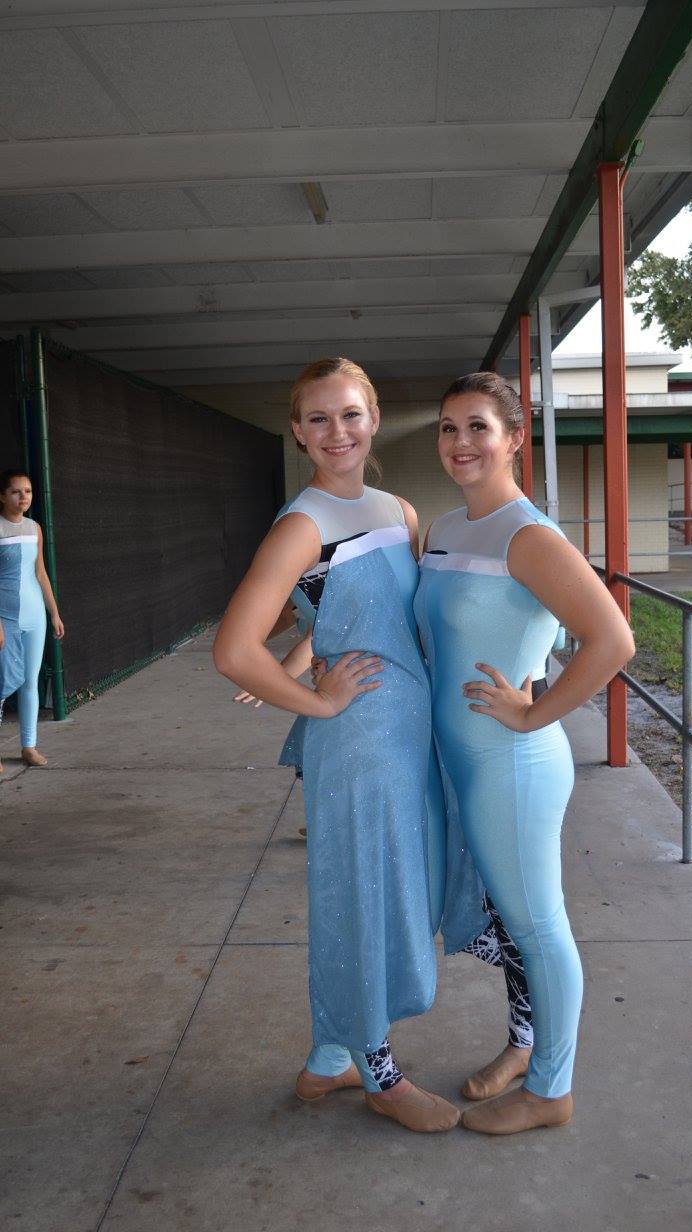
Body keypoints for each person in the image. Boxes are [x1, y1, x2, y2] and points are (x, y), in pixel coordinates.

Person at [213, 357, 459, 1133]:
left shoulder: (399, 511)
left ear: (374, 418)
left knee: (401, 889)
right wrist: (318, 699)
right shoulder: (302, 525)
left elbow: (379, 617)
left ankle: (329, 1059)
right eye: (317, 418)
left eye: (350, 414)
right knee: (363, 897)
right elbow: (234, 649)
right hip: (356, 745)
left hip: (410, 739)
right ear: (297, 431)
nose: (336, 431)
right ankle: (380, 1074)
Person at [413, 372, 635, 1135]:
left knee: (538, 928)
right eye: (448, 428)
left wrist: (535, 711)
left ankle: (550, 1091)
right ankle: (524, 1049)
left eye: (478, 427)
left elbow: (612, 641)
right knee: (512, 924)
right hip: (460, 762)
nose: (461, 443)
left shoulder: (528, 536)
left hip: (511, 764)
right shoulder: (445, 526)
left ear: (513, 438)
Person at [0, 471, 64, 773]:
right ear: (2, 496)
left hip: (35, 616)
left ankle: (29, 746)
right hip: (5, 618)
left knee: (29, 681)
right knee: (3, 683)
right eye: (15, 491)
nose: (23, 497)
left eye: (27, 491)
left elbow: (40, 573)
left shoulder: (35, 528)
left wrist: (54, 613)